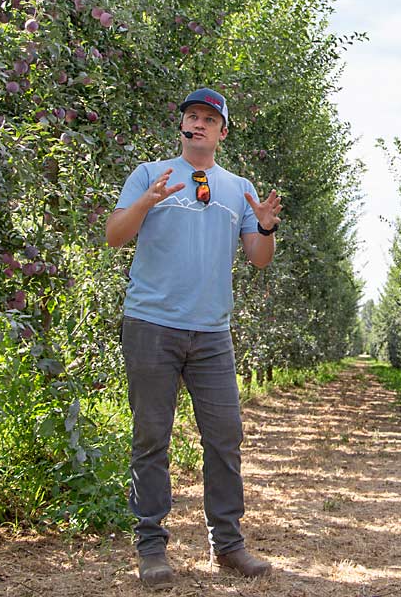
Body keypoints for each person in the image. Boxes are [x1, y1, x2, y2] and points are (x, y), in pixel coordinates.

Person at [106, 87, 282, 585]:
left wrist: (265, 227)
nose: (199, 123)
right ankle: (151, 548)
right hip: (151, 325)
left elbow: (258, 259)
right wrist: (146, 201)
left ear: (222, 133)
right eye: (192, 116)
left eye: (209, 118)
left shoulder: (238, 188)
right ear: (182, 126)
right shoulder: (149, 174)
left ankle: (227, 545)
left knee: (225, 436)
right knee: (151, 438)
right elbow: (115, 235)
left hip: (211, 333)